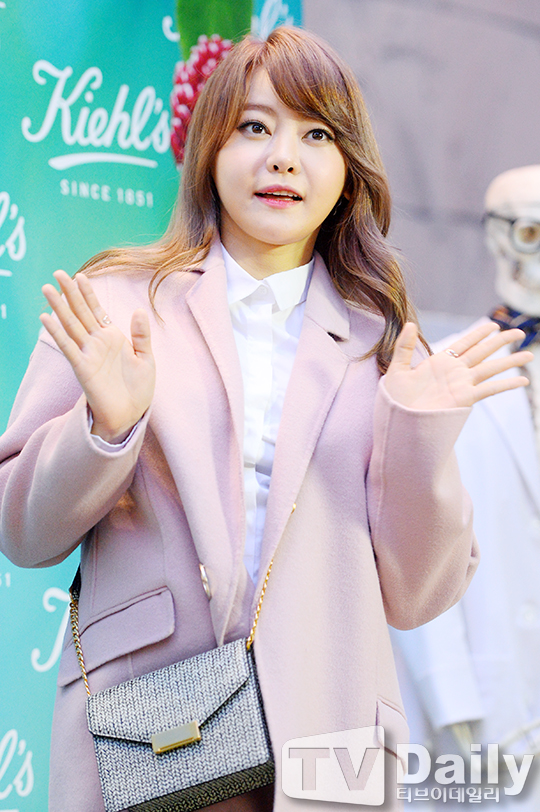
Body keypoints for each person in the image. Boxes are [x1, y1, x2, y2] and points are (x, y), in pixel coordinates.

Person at [0, 28, 532, 812]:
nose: (283, 157)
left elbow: (420, 595)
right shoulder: (115, 302)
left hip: (327, 734)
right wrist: (105, 430)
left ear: (348, 170)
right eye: (255, 126)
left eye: (316, 134)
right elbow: (21, 530)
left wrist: (419, 437)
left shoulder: (385, 343)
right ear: (211, 150)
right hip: (154, 722)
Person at [392, 165, 540, 810]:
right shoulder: (443, 369)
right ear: (499, 238)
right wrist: (447, 687)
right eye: (532, 231)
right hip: (483, 689)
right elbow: (410, 529)